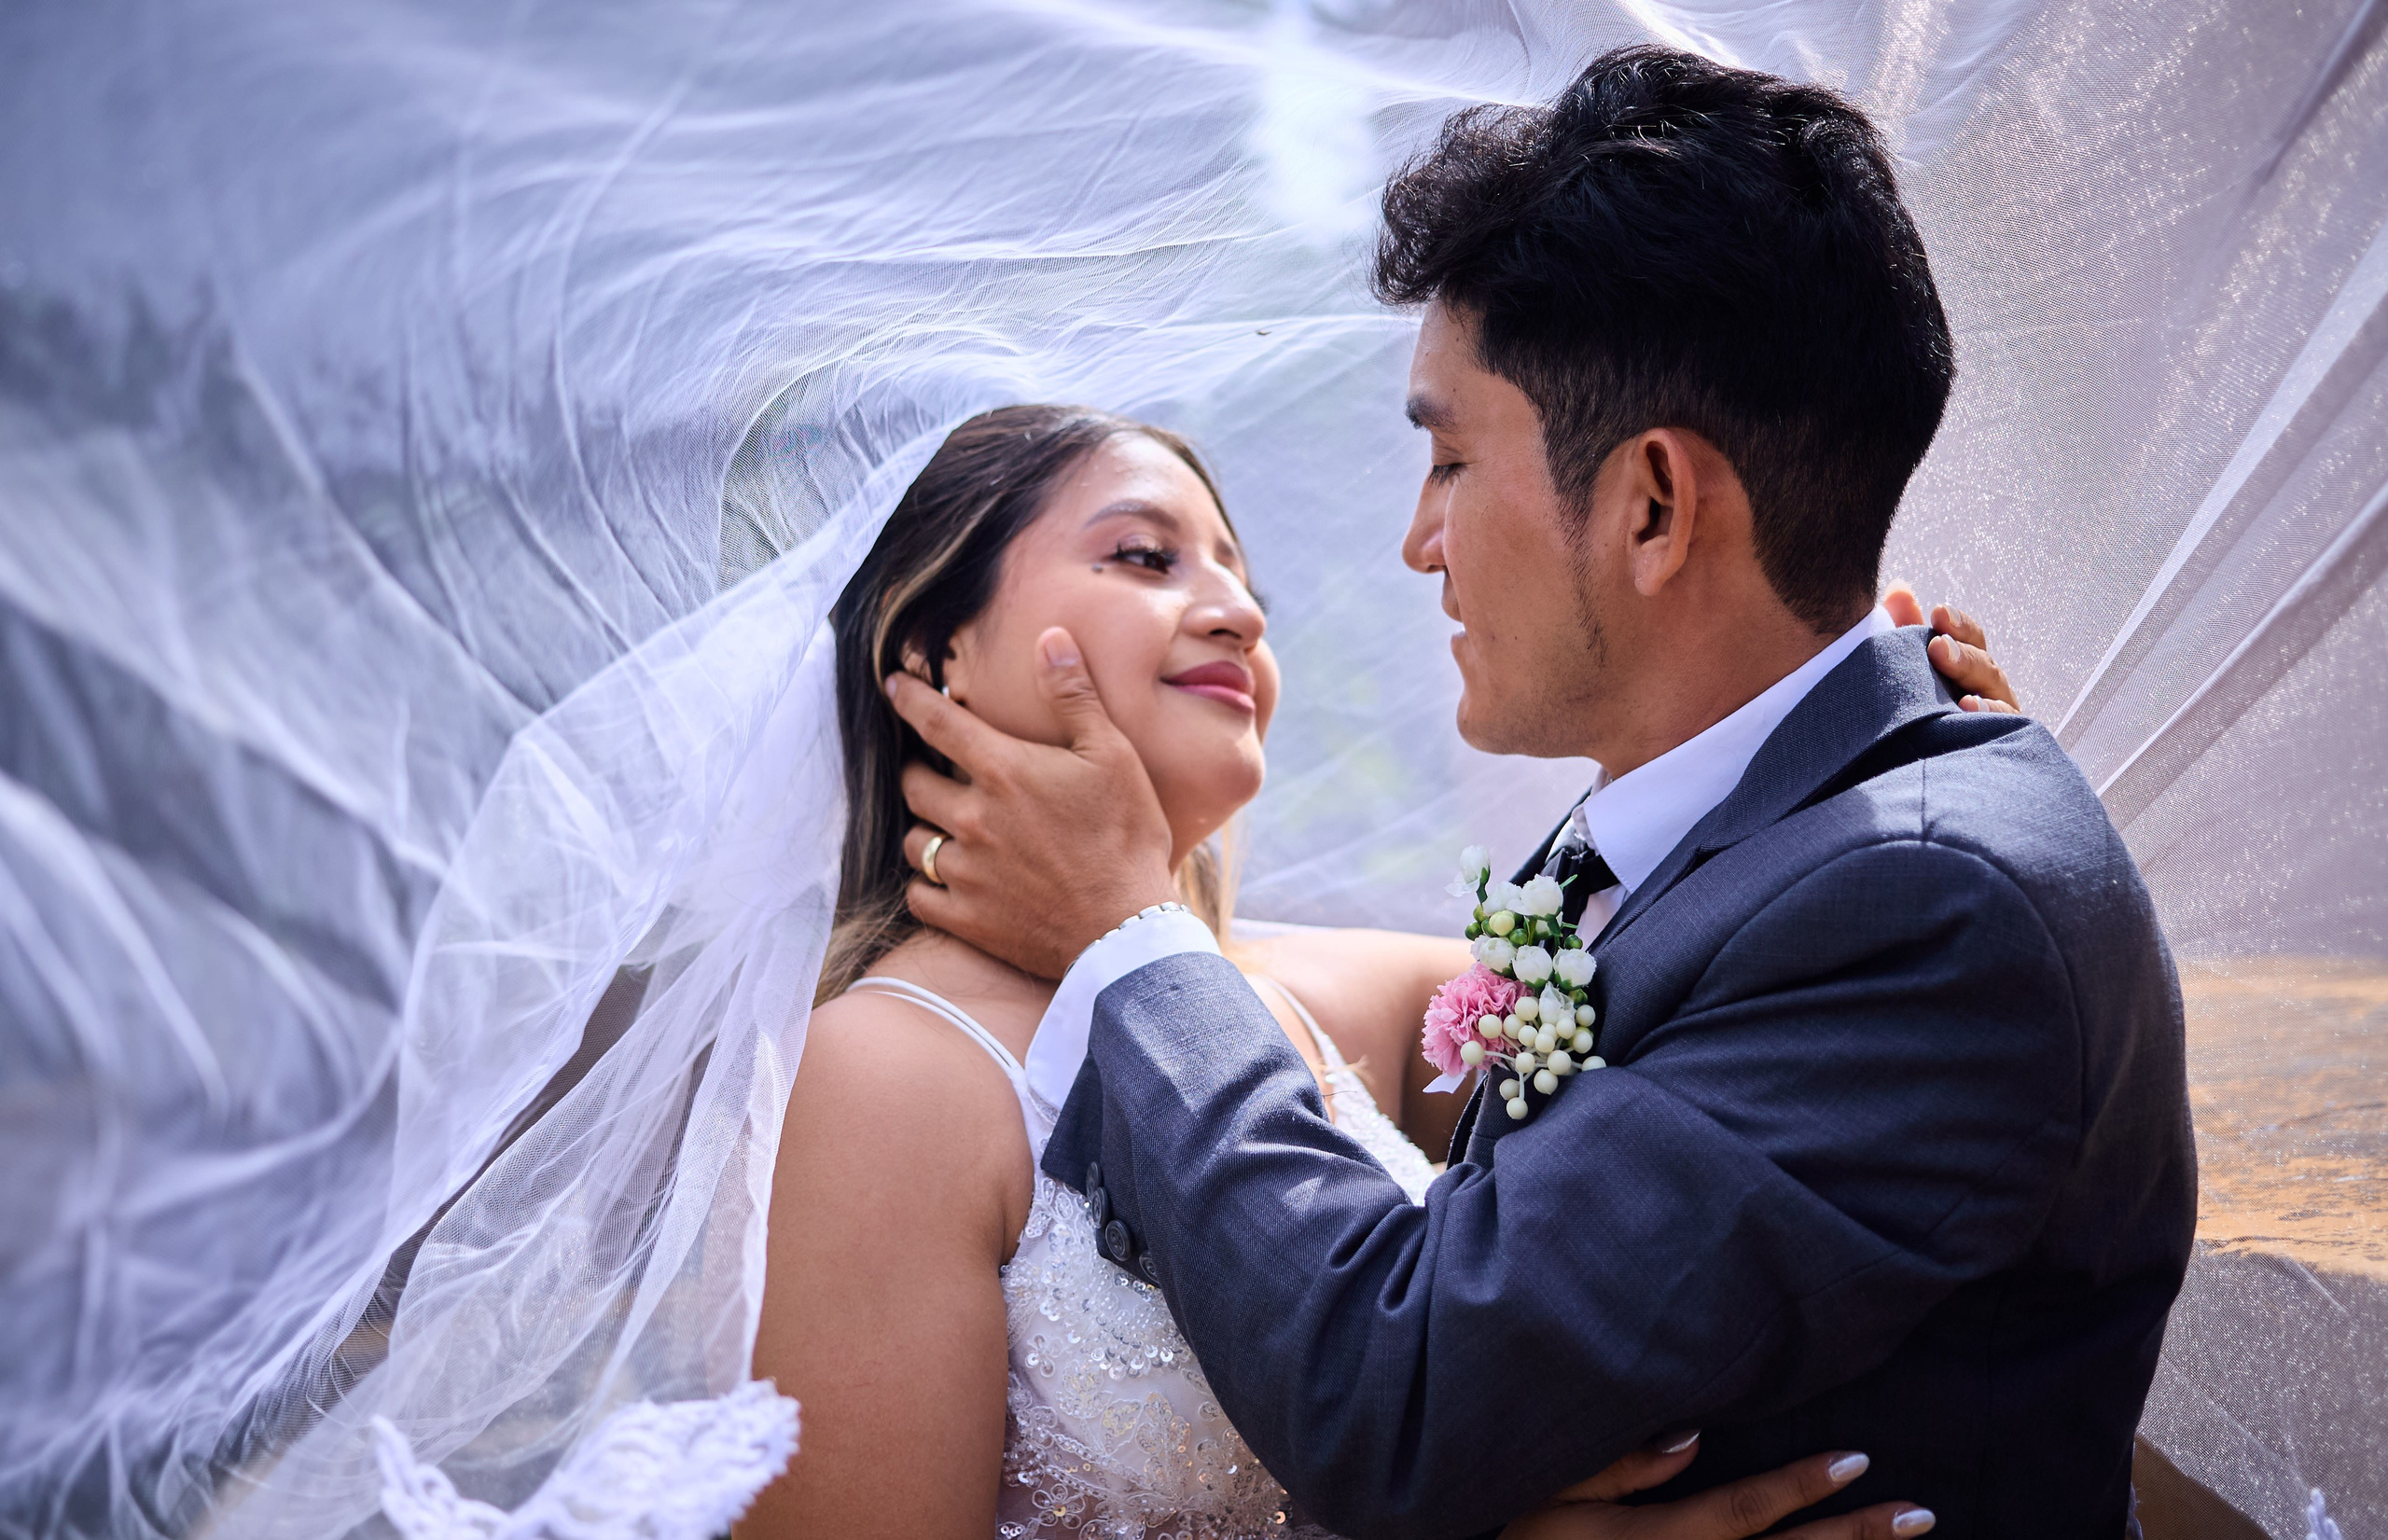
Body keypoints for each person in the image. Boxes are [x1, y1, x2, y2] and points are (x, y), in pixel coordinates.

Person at [882, 47, 2195, 1540]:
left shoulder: (1927, 896)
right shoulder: (1744, 827)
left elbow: (1403, 1388)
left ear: (1650, 503)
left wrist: (1130, 939)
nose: (1418, 543)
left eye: (1449, 460)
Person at [741, 404, 2012, 1539]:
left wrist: (1860, 746)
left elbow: (1711, 969)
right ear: (932, 659)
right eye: (1145, 557)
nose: (1237, 609)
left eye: (1242, 578)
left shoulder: (1309, 997)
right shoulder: (885, 1075)